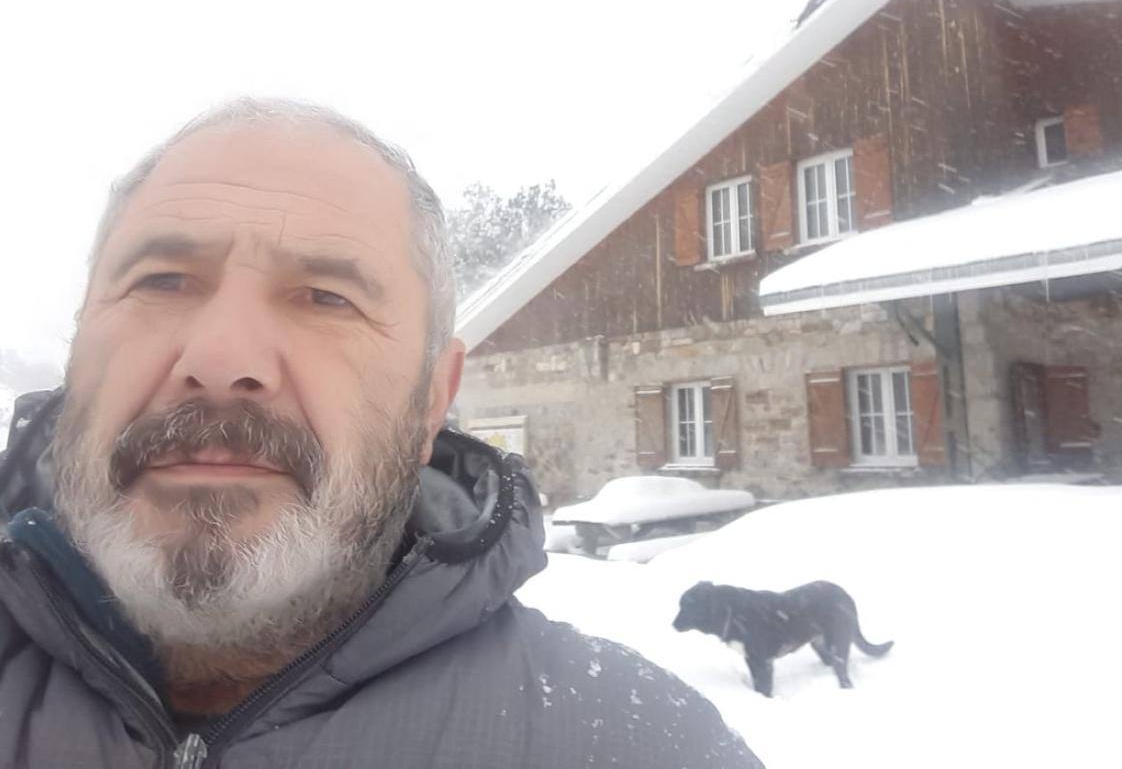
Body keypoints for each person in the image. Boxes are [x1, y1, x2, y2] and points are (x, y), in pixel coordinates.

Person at [0, 98, 762, 769]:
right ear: (76, 349)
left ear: (433, 399)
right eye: (161, 282)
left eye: (326, 298)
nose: (220, 359)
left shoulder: (633, 748)